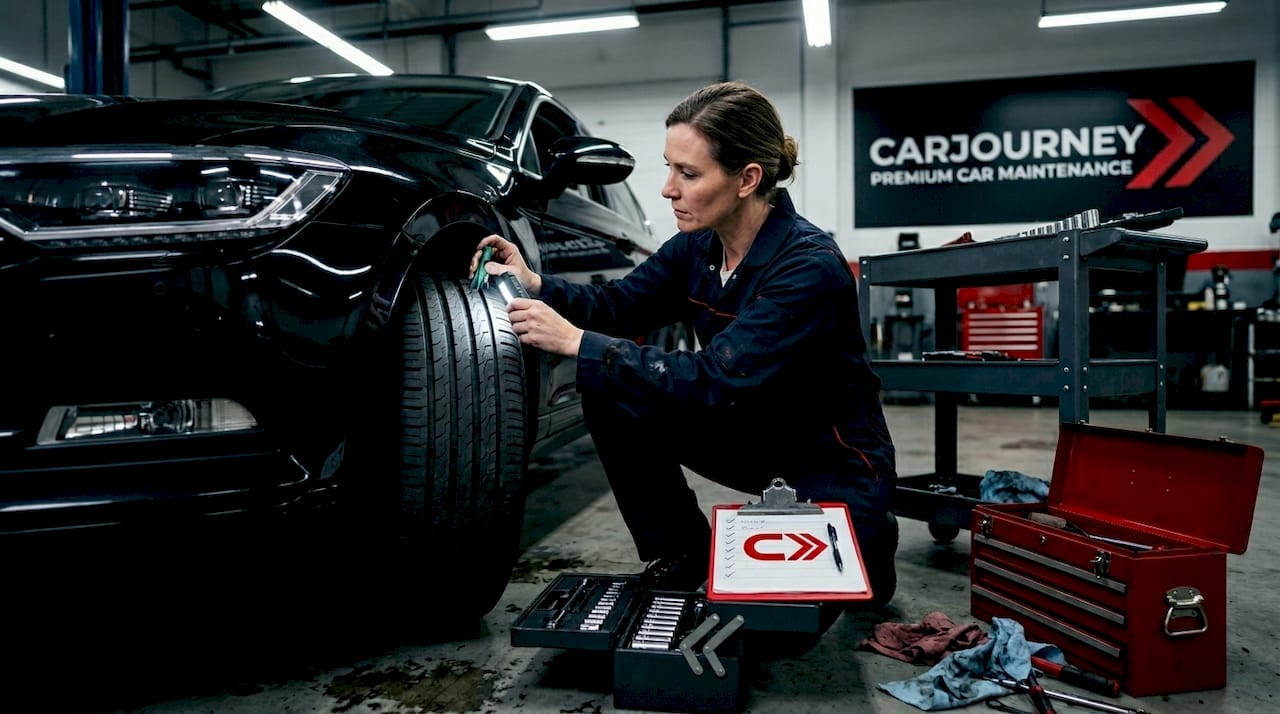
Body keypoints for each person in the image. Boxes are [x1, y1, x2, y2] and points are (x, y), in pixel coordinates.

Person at [471, 80, 898, 609]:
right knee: (611, 389)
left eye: (688, 173)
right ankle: (684, 550)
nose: (667, 188)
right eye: (669, 167)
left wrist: (577, 342)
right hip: (751, 434)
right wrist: (538, 284)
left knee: (786, 625)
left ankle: (870, 530)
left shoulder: (808, 266)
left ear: (747, 179)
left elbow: (719, 379)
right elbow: (620, 305)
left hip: (827, 457)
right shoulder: (696, 248)